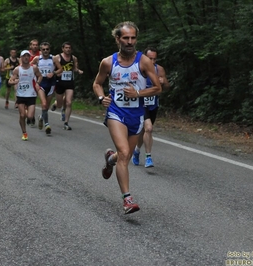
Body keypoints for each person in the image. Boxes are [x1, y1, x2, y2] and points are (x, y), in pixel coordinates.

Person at [92, 21, 162, 214]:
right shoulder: (108, 62)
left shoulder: (143, 61)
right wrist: (101, 98)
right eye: (126, 38)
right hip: (116, 112)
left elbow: (158, 88)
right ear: (118, 39)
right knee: (124, 152)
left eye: (133, 38)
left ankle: (110, 160)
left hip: (137, 114)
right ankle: (127, 200)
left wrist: (138, 94)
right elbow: (97, 83)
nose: (130, 42)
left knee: (125, 157)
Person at [132, 47, 170, 168]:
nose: (152, 61)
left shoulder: (159, 69)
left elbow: (167, 87)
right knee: (148, 128)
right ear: (145, 57)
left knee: (144, 131)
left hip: (153, 104)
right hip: (141, 103)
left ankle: (137, 151)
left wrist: (163, 82)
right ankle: (148, 157)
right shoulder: (138, 68)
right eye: (150, 58)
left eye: (154, 58)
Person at [8, 50, 42, 140]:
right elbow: (10, 80)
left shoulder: (34, 68)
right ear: (21, 58)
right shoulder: (17, 69)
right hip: (21, 95)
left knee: (30, 117)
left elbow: (40, 76)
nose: (26, 57)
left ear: (30, 57)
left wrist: (38, 83)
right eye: (24, 56)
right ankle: (24, 132)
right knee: (22, 115)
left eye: (28, 56)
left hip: (31, 95)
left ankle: (35, 117)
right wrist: (13, 82)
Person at [32, 42, 63, 135]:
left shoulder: (53, 58)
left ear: (49, 50)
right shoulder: (37, 59)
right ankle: (47, 125)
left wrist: (53, 73)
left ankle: (41, 117)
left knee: (46, 106)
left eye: (47, 49)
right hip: (41, 83)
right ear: (40, 50)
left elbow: (61, 69)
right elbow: (28, 66)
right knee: (44, 104)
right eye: (43, 49)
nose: (45, 51)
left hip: (51, 83)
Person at [51, 42, 83, 130]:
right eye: (66, 48)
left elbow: (74, 68)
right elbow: (53, 68)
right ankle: (56, 103)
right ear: (63, 49)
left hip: (69, 82)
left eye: (69, 48)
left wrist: (78, 71)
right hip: (60, 82)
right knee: (59, 104)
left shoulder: (74, 58)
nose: (68, 49)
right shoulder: (57, 57)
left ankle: (66, 123)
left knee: (69, 102)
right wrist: (56, 73)